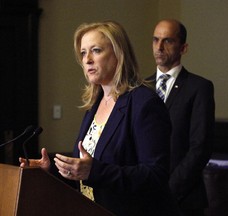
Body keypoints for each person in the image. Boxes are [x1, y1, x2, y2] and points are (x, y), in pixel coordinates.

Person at [19, 20, 179, 216]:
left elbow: (156, 175)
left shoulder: (144, 103)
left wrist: (94, 171)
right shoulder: (95, 105)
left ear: (118, 54)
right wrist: (52, 169)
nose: (87, 60)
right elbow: (84, 172)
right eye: (83, 53)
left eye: (95, 50)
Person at [147, 19, 215, 216]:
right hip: (145, 198)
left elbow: (200, 148)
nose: (159, 47)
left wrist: (168, 190)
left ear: (183, 47)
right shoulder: (141, 87)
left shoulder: (199, 88)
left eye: (167, 41)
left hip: (183, 200)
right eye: (155, 40)